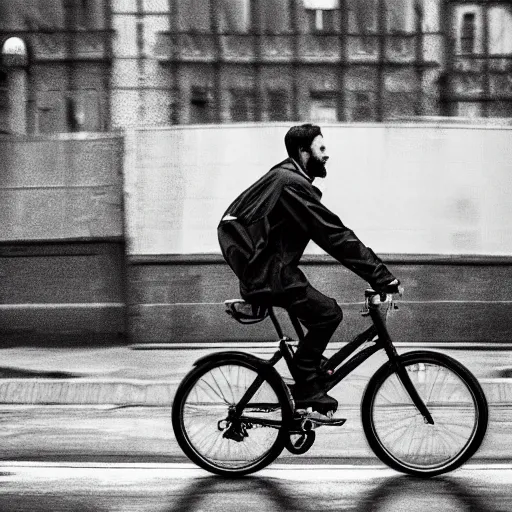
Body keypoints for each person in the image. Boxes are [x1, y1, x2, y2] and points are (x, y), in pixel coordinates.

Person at [218, 124, 400, 414]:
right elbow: (334, 235)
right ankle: (306, 386)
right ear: (304, 152)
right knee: (328, 313)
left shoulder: (287, 179)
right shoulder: (291, 183)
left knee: (322, 317)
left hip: (271, 271)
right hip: (270, 275)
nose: (327, 155)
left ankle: (308, 381)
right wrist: (381, 277)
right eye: (321, 149)